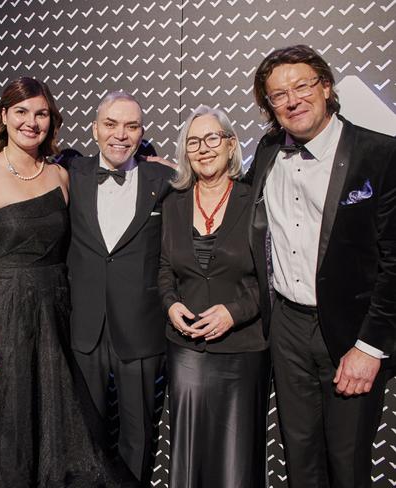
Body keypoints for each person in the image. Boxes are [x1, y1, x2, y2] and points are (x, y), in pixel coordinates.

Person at [0, 77, 134, 487]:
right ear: (3, 117)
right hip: (5, 315)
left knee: (60, 424)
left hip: (58, 314)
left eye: (41, 114)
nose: (31, 122)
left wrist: (154, 163)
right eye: (21, 112)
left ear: (52, 121)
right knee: (7, 423)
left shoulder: (61, 176)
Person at [246, 44, 396, 487]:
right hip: (287, 327)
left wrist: (369, 347)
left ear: (326, 87)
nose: (292, 100)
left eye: (302, 86)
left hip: (351, 331)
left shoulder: (379, 154)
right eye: (278, 95)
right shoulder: (269, 150)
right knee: (300, 457)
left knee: (347, 464)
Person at [157, 105, 270, 488]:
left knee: (235, 459)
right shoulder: (172, 203)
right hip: (185, 350)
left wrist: (234, 313)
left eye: (212, 138)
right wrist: (170, 304)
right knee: (189, 453)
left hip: (242, 350)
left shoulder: (255, 199)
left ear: (230, 144)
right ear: (185, 152)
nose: (203, 148)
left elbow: (271, 277)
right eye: (193, 141)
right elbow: (163, 270)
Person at [67, 91, 175, 483]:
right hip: (85, 326)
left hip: (141, 328)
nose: (120, 134)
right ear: (95, 129)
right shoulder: (71, 173)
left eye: (131, 126)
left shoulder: (164, 179)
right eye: (111, 124)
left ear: (142, 133)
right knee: (83, 432)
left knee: (138, 434)